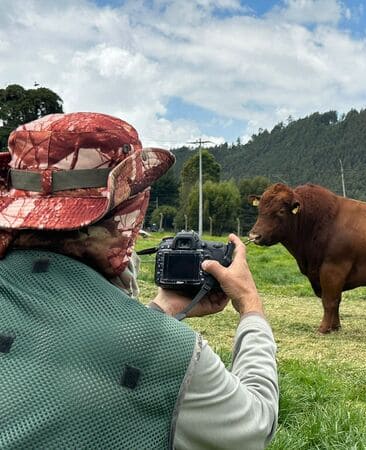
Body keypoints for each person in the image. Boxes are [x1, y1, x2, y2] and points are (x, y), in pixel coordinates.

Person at [0, 112, 278, 449]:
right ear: (128, 212)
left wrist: (160, 312)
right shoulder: (173, 354)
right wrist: (251, 306)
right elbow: (255, 426)